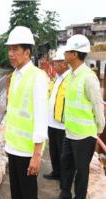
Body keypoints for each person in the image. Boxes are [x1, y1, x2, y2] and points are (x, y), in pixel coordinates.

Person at [48, 34, 105, 199]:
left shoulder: (88, 77)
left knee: (82, 171)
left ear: (75, 54)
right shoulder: (72, 75)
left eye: (67, 51)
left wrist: (99, 130)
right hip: (70, 132)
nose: (64, 54)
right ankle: (65, 197)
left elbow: (97, 104)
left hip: (84, 135)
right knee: (66, 166)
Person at [4, 26, 48, 199]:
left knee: (28, 198)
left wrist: (37, 155)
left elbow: (40, 117)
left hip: (27, 151)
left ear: (27, 52)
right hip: (13, 148)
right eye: (9, 49)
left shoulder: (37, 77)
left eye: (15, 49)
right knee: (16, 196)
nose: (11, 53)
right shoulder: (15, 75)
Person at [43, 47, 70, 180]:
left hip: (62, 124)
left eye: (55, 63)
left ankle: (64, 177)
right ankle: (56, 172)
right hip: (51, 122)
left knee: (63, 153)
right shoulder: (56, 78)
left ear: (64, 63)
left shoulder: (70, 79)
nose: (53, 65)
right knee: (53, 150)